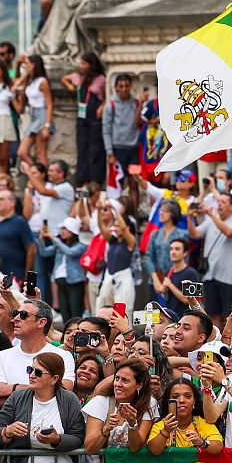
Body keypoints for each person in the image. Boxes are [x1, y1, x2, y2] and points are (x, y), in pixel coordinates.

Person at [0, 353, 85, 463]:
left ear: (54, 379)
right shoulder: (17, 398)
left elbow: (78, 437)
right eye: (30, 369)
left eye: (38, 372)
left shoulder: (69, 399)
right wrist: (7, 431)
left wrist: (57, 439)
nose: (32, 375)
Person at [0, 299, 76, 410]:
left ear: (41, 322)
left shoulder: (63, 356)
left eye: (23, 315)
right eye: (15, 313)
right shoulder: (1, 356)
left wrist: (13, 388)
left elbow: (63, 394)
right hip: (13, 425)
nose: (15, 319)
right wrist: (44, 391)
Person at [189, 194, 232, 327]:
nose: (219, 204)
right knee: (212, 315)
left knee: (230, 316)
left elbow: (229, 233)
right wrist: (190, 217)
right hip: (210, 275)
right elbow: (194, 234)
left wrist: (211, 214)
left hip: (229, 277)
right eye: (218, 202)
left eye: (224, 202)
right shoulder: (210, 221)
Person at [61, 52, 107, 186]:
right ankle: (83, 179)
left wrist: (102, 107)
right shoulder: (78, 77)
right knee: (82, 147)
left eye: (84, 64)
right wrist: (72, 88)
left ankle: (96, 179)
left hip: (94, 115)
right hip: (82, 116)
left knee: (95, 148)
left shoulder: (100, 79)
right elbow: (64, 79)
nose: (81, 66)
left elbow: (106, 95)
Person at [147, 378, 223, 454]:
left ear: (194, 401)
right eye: (175, 397)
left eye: (188, 396)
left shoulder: (202, 422)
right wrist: (166, 431)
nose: (182, 400)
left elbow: (218, 447)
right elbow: (154, 450)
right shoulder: (161, 425)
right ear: (169, 401)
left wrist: (201, 442)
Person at [102, 73, 144, 208]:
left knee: (134, 182)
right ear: (116, 88)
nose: (124, 89)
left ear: (131, 86)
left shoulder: (137, 103)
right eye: (121, 86)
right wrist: (109, 152)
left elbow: (139, 124)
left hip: (133, 150)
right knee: (117, 183)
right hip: (117, 149)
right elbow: (106, 130)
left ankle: (134, 215)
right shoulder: (111, 106)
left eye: (126, 86)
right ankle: (116, 213)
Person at [37, 217, 87, 322]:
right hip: (60, 282)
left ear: (73, 231)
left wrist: (54, 239)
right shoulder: (59, 245)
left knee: (75, 312)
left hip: (74, 282)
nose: (62, 231)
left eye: (65, 228)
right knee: (64, 313)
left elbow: (70, 252)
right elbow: (44, 252)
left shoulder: (81, 246)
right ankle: (66, 333)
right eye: (62, 228)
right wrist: (41, 240)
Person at [12, 54, 53, 167]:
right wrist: (20, 67)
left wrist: (47, 126)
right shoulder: (30, 81)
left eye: (27, 63)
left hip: (41, 114)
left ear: (34, 65)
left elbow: (49, 104)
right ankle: (37, 172)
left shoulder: (42, 82)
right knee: (22, 152)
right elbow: (16, 84)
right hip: (33, 115)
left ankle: (43, 178)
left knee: (41, 153)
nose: (25, 66)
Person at [145, 200, 188, 299]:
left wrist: (169, 280)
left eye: (165, 211)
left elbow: (184, 260)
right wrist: (155, 280)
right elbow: (148, 257)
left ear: (172, 214)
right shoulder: (155, 234)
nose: (161, 213)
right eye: (161, 210)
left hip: (174, 281)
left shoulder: (182, 234)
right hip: (155, 280)